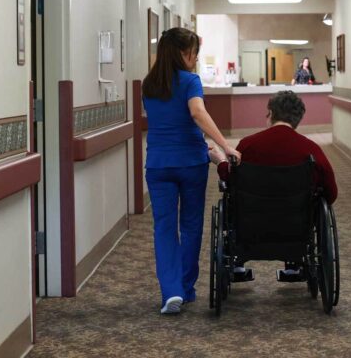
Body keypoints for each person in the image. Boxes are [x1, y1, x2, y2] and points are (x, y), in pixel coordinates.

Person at [142, 27, 241, 315]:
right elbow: (197, 112)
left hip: (158, 165)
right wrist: (226, 146)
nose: (195, 58)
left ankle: (170, 291)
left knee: (164, 228)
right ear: (183, 53)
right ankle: (185, 288)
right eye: (193, 53)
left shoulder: (148, 85)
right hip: (190, 164)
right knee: (190, 225)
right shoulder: (190, 81)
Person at [209, 90, 337, 281]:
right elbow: (331, 192)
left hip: (249, 226)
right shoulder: (310, 149)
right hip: (297, 228)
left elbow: (231, 181)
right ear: (298, 119)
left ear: (270, 113)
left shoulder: (247, 145)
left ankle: (237, 263)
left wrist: (220, 162)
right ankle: (294, 263)